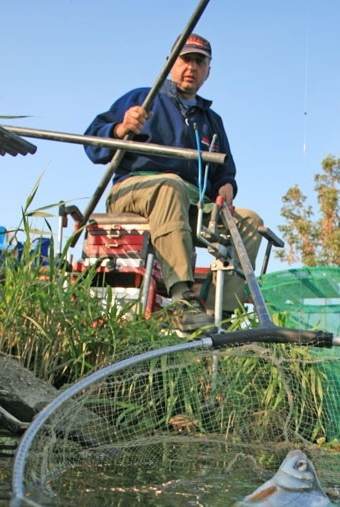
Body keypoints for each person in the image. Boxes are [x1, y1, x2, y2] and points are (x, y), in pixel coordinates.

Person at [84, 33, 264, 332]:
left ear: (208, 71)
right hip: (135, 190)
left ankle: (222, 313)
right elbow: (92, 144)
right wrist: (120, 128)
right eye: (185, 59)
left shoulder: (211, 120)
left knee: (249, 220)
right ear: (170, 64)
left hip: (192, 202)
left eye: (199, 61)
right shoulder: (144, 97)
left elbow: (225, 171)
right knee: (170, 185)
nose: (191, 67)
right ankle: (182, 298)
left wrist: (226, 187)